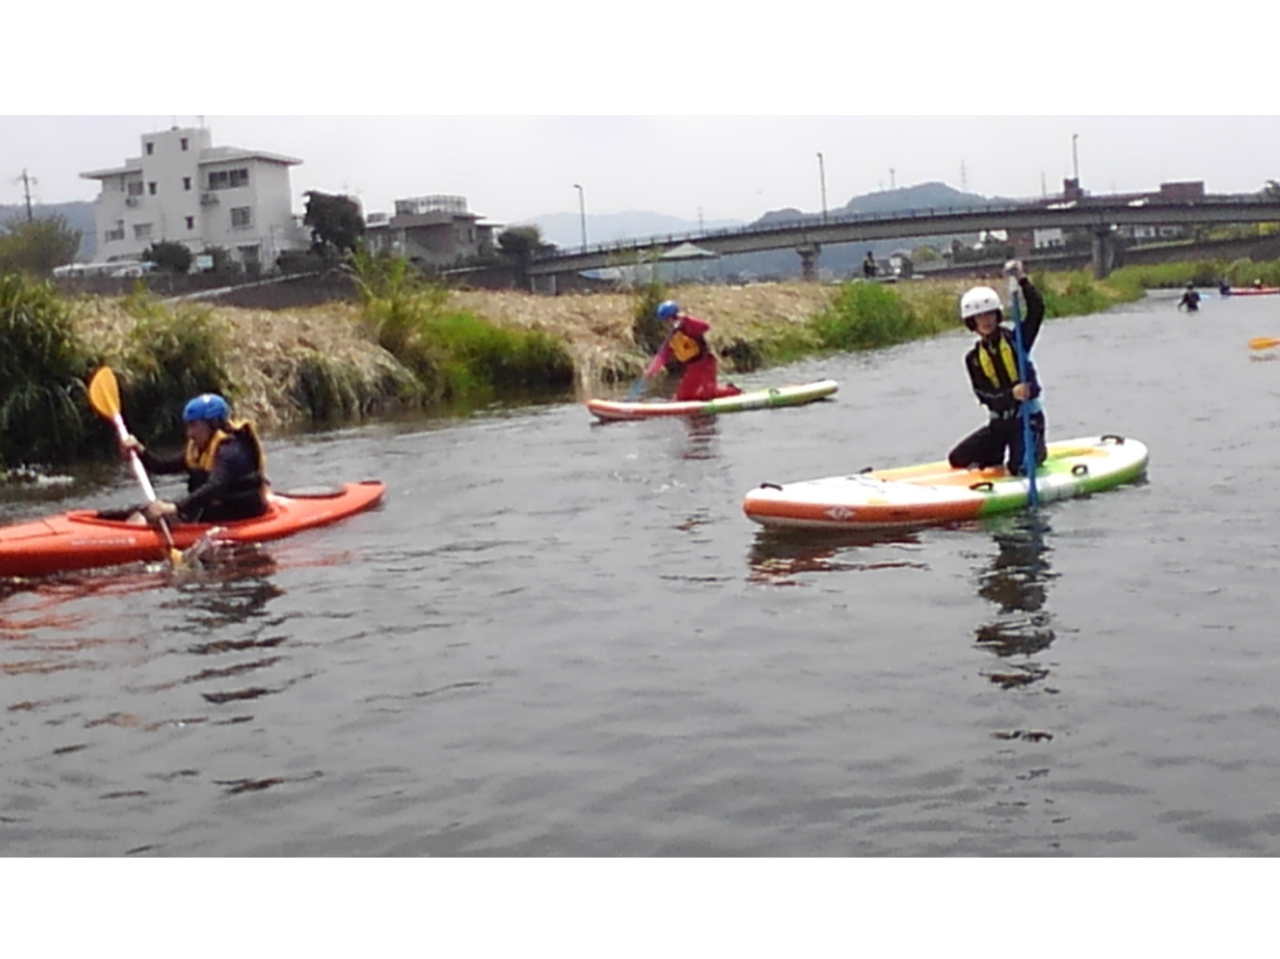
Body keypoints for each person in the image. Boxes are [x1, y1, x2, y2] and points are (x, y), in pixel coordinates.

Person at [948, 260, 1047, 476]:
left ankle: (1035, 452)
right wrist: (1011, 394)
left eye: (989, 314)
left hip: (1027, 420)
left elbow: (1037, 310)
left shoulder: (1018, 339)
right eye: (979, 317)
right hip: (1000, 424)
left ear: (997, 315)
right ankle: (996, 458)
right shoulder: (973, 359)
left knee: (1019, 468)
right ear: (972, 322)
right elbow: (985, 396)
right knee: (958, 458)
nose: (985, 321)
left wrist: (1021, 279)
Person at [119, 393, 269, 525]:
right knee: (139, 512)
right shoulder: (200, 449)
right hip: (211, 511)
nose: (189, 433)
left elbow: (214, 486)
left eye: (194, 426)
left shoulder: (231, 451)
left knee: (154, 515)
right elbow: (162, 467)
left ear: (213, 424)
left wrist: (175, 507)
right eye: (188, 426)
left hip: (238, 515)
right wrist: (140, 451)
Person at [639, 301, 742, 402]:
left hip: (706, 363)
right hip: (692, 367)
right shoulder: (672, 337)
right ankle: (724, 391)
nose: (668, 323)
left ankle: (733, 391)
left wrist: (686, 319)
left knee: (708, 394)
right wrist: (651, 371)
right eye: (665, 321)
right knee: (683, 397)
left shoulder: (689, 326)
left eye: (670, 319)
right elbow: (662, 356)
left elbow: (705, 326)